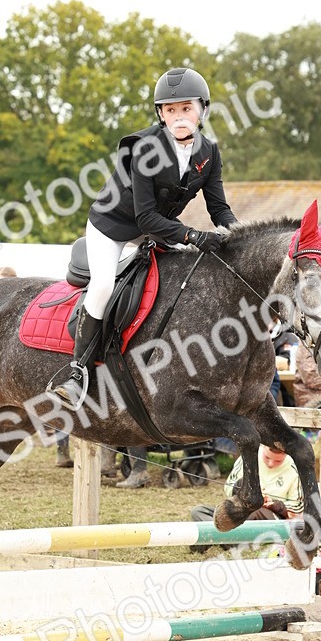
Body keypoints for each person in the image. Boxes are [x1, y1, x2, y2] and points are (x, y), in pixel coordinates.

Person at [53, 66, 238, 406]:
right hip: (112, 227)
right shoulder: (146, 150)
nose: (179, 116)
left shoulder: (209, 153)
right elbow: (145, 216)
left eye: (186, 108)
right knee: (105, 285)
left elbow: (219, 210)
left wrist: (238, 236)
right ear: (161, 114)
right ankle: (77, 373)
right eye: (171, 110)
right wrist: (194, 236)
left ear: (202, 110)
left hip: (156, 232)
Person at [192, 445, 304, 524]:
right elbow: (229, 486)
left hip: (270, 516)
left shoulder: (294, 468)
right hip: (242, 509)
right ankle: (229, 538)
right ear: (262, 447)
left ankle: (220, 537)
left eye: (278, 461)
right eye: (267, 458)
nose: (270, 463)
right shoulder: (248, 458)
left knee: (255, 512)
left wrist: (275, 504)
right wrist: (242, 490)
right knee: (199, 511)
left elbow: (297, 507)